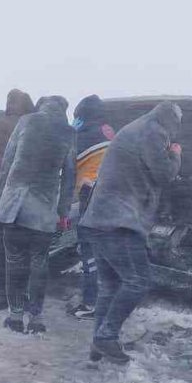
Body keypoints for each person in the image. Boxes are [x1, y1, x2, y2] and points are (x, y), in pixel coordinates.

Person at [79, 100, 183, 364]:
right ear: (171, 120)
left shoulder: (135, 127)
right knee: (138, 280)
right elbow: (163, 173)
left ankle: (99, 341)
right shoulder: (154, 130)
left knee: (110, 285)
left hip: (99, 218)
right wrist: (175, 154)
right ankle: (106, 336)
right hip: (119, 220)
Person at [0, 95, 76, 334]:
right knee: (39, 263)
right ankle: (36, 318)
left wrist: (3, 200)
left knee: (14, 262)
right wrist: (62, 211)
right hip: (43, 210)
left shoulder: (26, 121)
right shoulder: (68, 133)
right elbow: (69, 178)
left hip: (15, 207)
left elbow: (7, 164)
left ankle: (15, 316)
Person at [0, 89, 35, 310]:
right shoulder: (30, 125)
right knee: (20, 249)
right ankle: (19, 294)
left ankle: (0, 296)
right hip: (20, 197)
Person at [68, 95, 116, 319]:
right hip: (113, 199)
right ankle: (108, 300)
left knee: (89, 253)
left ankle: (91, 303)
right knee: (106, 253)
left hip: (91, 198)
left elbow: (67, 167)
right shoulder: (111, 132)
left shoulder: (83, 136)